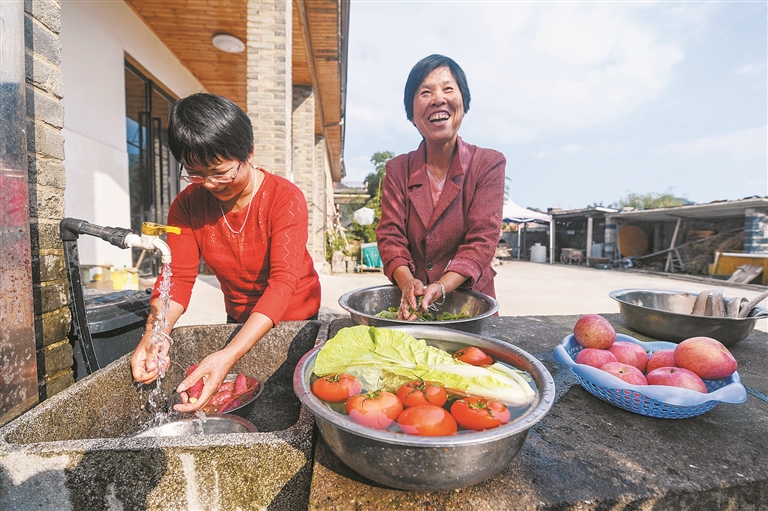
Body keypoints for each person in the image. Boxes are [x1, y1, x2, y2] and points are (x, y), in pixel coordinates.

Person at [130, 93, 321, 412]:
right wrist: (156, 332)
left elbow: (283, 283)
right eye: (195, 173)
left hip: (295, 318)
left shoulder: (284, 199)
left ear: (249, 152)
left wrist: (229, 354)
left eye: (220, 171)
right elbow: (177, 278)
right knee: (247, 401)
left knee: (292, 399)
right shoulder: (188, 205)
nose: (209, 184)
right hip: (239, 316)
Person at [376, 54, 505, 320]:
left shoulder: (488, 163)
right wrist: (407, 282)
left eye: (448, 89)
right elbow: (390, 237)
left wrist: (443, 285)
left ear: (463, 102)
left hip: (470, 306)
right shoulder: (397, 169)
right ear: (411, 113)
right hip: (412, 307)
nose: (438, 99)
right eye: (425, 92)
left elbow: (482, 240)